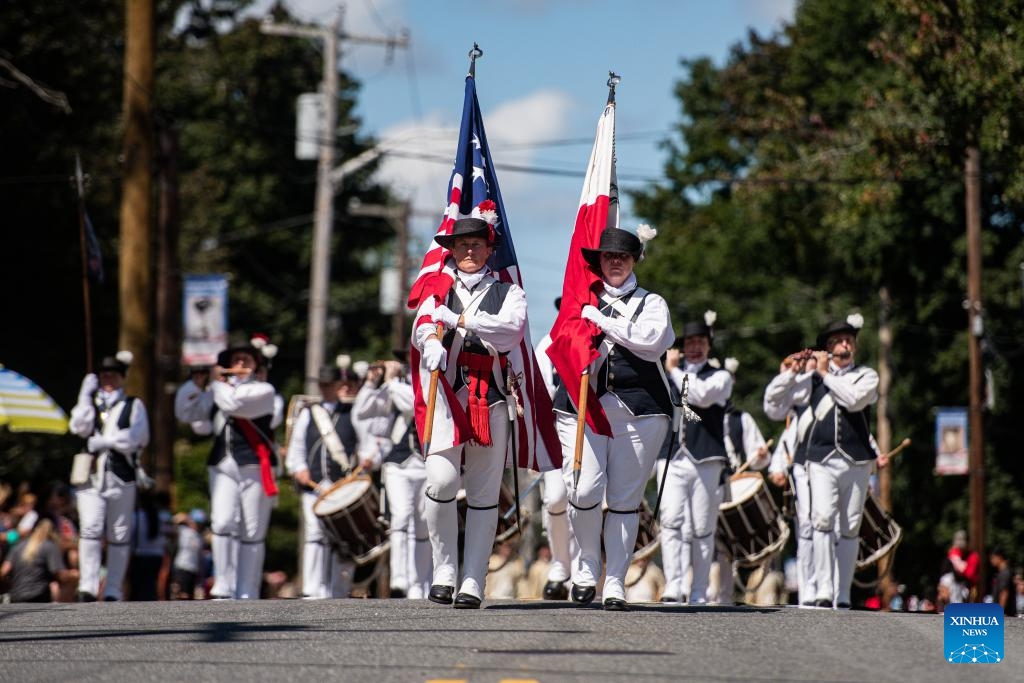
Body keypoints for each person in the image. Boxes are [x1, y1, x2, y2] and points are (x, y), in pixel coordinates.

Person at [552, 225, 673, 611]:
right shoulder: (580, 300)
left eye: (623, 255)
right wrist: (584, 320)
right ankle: (587, 562)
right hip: (586, 407)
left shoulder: (652, 303)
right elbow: (560, 344)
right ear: (599, 261)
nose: (616, 261)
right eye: (608, 256)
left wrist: (601, 320)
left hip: (640, 411)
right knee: (584, 490)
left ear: (636, 259)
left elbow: (652, 340)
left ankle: (616, 580)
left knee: (624, 499)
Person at [413, 210, 528, 609]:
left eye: (477, 244)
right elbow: (423, 322)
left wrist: (460, 319)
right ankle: (445, 569)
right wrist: (429, 339)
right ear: (452, 249)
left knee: (482, 494)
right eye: (462, 244)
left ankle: (473, 579)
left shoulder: (509, 293)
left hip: (490, 397)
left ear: (489, 249)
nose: (468, 250)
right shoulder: (437, 288)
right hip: (446, 396)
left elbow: (510, 331)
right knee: (441, 483)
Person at [174, 337, 278, 599]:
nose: (240, 364)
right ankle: (223, 586)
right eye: (235, 360)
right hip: (222, 464)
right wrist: (197, 384)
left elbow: (234, 404)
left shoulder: (263, 390)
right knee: (222, 523)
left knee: (252, 531)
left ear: (255, 365)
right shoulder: (218, 390)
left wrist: (216, 382)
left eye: (246, 360)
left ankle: (247, 590)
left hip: (254, 464)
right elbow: (186, 414)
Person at [800, 315, 883, 609]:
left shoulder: (868, 376)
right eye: (836, 341)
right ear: (828, 348)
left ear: (855, 347)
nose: (843, 345)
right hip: (821, 459)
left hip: (857, 460)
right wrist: (789, 371)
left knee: (849, 526)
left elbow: (853, 400)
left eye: (847, 340)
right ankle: (823, 588)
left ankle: (842, 591)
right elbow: (775, 404)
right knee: (822, 519)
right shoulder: (811, 377)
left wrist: (825, 376)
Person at [657, 312, 732, 606]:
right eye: (689, 342)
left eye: (700, 342)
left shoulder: (721, 376)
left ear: (709, 345)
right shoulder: (665, 373)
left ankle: (699, 590)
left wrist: (674, 370)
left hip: (706, 458)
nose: (695, 347)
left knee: (702, 528)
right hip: (673, 457)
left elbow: (698, 395)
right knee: (672, 521)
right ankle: (674, 585)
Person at [69, 351, 150, 601]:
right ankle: (88, 586)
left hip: (120, 476)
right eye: (104, 374)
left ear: (122, 377)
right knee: (91, 527)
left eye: (113, 374)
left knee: (119, 532)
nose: (108, 379)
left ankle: (113, 588)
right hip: (91, 476)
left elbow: (138, 438)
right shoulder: (91, 404)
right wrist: (84, 395)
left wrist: (106, 440)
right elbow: (78, 427)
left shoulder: (133, 405)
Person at [354, 356, 432, 599]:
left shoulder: (424, 383)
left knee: (422, 524)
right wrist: (370, 383)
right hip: (397, 464)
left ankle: (418, 583)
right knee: (400, 517)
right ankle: (399, 578)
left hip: (424, 463)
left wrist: (390, 381)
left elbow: (414, 404)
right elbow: (362, 412)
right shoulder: (392, 388)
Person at [285, 362, 364, 599]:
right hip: (315, 486)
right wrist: (299, 468)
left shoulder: (352, 413)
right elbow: (296, 448)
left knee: (341, 538)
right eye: (322, 384)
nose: (325, 388)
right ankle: (312, 588)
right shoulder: (308, 413)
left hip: (342, 486)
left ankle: (337, 589)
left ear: (339, 385)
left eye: (330, 384)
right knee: (314, 534)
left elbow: (364, 446)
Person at [712, 357, 770, 605]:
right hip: (704, 479)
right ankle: (696, 593)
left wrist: (761, 456)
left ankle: (724, 597)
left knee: (725, 543)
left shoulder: (741, 418)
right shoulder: (693, 414)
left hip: (731, 484)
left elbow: (758, 459)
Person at [764, 345, 818, 606]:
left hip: (834, 464)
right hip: (804, 465)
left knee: (832, 527)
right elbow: (772, 407)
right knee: (807, 524)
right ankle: (809, 589)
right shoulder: (799, 390)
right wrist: (789, 373)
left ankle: (830, 586)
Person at [533, 297, 574, 600]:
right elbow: (540, 389)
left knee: (587, 501)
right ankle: (560, 565)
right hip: (558, 431)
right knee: (556, 499)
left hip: (596, 431)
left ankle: (584, 570)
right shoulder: (548, 342)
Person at [0, 518, 75, 602]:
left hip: (16, 595)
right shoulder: (49, 546)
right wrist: (73, 575)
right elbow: (60, 575)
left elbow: (4, 571)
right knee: (57, 585)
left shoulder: (18, 546)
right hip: (38, 596)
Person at [170, 511, 204, 600]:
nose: (197, 525)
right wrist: (186, 518)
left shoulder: (198, 535)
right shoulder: (184, 531)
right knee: (183, 594)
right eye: (196, 522)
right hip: (183, 566)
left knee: (190, 595)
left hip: (193, 569)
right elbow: (174, 521)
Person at [945, 529, 980, 602]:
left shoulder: (973, 557)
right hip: (954, 591)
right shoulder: (955, 553)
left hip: (971, 590)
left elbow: (969, 574)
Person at [989, 548, 1017, 617]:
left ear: (999, 557)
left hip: (1006, 614)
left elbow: (1004, 593)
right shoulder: (1001, 573)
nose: (991, 561)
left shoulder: (1005, 573)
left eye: (993, 558)